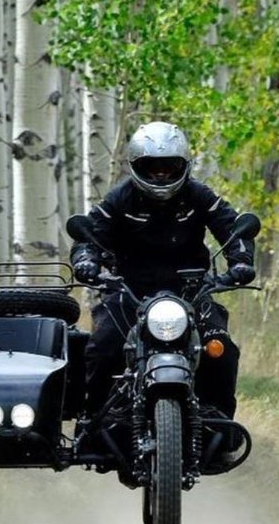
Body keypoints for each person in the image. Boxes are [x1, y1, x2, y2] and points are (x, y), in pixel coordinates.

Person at [68, 121, 259, 424]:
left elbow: (233, 227)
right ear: (136, 166)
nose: (161, 174)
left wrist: (241, 261)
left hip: (193, 290)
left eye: (169, 166)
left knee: (220, 348)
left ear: (183, 165)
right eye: (152, 167)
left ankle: (220, 423)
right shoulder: (119, 199)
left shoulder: (199, 196)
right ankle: (95, 420)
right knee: (103, 345)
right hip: (128, 290)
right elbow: (89, 234)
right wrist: (86, 260)